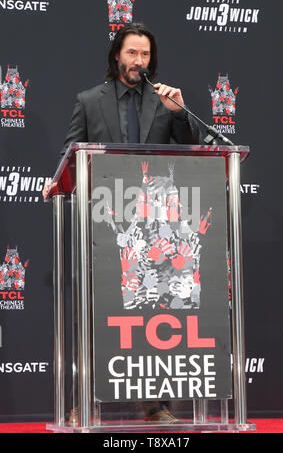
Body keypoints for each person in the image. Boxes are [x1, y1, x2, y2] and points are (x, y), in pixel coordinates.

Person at [43, 22, 201, 423]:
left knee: (154, 312)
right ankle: (87, 401)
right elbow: (71, 150)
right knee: (98, 312)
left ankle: (157, 405)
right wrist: (57, 177)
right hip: (103, 219)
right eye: (132, 53)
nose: (139, 61)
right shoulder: (89, 100)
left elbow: (189, 148)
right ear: (117, 55)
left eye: (145, 54)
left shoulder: (164, 100)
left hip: (154, 224)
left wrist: (179, 113)